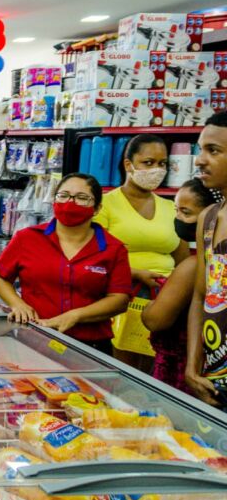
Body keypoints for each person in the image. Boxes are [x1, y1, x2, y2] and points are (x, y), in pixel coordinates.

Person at [0, 173, 132, 354]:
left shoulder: (113, 249)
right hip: (34, 338)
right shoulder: (27, 238)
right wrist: (17, 304)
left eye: (82, 198)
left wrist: (76, 316)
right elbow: (0, 278)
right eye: (63, 195)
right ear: (54, 201)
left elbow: (119, 299)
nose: (70, 203)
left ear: (97, 208)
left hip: (90, 348)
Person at [95, 134, 189, 370]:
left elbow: (183, 260)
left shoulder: (171, 207)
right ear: (129, 165)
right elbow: (94, 257)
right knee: (122, 365)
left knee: (156, 364)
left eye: (162, 163)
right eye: (148, 162)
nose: (156, 169)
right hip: (120, 294)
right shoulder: (105, 204)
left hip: (164, 300)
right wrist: (136, 273)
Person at [142, 180, 217, 393]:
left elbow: (156, 320)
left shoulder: (193, 266)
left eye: (186, 212)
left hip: (179, 370)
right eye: (176, 210)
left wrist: (148, 306)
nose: (178, 219)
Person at [187, 111, 227, 407]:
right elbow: (201, 295)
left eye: (213, 151)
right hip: (214, 375)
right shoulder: (209, 219)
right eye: (201, 149)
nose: (200, 160)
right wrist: (192, 365)